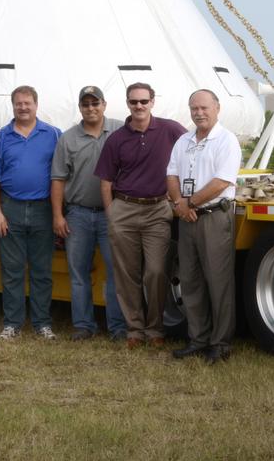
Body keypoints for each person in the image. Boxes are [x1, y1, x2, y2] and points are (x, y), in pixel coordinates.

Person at [95, 82, 187, 349]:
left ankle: (155, 328)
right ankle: (135, 330)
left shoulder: (170, 130)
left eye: (143, 101)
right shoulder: (116, 138)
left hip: (158, 209)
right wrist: (112, 213)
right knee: (127, 274)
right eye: (134, 102)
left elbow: (193, 148)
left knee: (157, 272)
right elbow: (105, 181)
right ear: (127, 104)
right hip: (123, 208)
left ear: (152, 102)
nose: (139, 106)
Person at [167, 89, 241, 365]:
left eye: (204, 107)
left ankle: (220, 344)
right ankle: (197, 339)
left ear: (217, 108)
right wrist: (179, 202)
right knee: (191, 280)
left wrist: (190, 203)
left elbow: (223, 181)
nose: (199, 112)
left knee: (218, 281)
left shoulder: (226, 140)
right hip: (188, 219)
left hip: (212, 217)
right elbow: (171, 174)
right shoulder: (183, 141)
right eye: (194, 108)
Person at [0, 85, 62, 341]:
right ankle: (12, 324)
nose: (23, 107)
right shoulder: (1, 136)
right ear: (13, 105)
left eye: (27, 103)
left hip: (43, 209)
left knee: (42, 270)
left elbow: (62, 175)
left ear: (36, 105)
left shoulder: (53, 134)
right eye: (18, 103)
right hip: (10, 208)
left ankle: (42, 324)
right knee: (12, 269)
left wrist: (60, 212)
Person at [50, 86, 125, 342]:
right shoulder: (68, 138)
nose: (91, 108)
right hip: (78, 214)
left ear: (104, 104)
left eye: (95, 103)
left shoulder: (120, 130)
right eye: (86, 104)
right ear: (80, 107)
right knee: (78, 273)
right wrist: (58, 216)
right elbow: (58, 179)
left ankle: (118, 327)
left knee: (116, 272)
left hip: (112, 214)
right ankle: (83, 325)